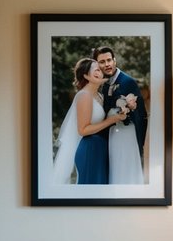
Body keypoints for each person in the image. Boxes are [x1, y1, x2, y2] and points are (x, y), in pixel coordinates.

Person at [52, 57, 127, 185]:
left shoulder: (100, 96)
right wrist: (111, 120)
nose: (100, 72)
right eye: (96, 69)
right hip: (89, 150)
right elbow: (83, 130)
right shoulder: (84, 96)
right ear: (86, 75)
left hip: (100, 149)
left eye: (100, 69)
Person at [93, 45, 148, 184]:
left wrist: (139, 143)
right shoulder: (103, 84)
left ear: (114, 60)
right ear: (97, 64)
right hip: (112, 135)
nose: (107, 64)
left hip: (126, 135)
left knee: (126, 171)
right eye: (102, 62)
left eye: (109, 60)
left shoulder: (128, 81)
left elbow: (141, 115)